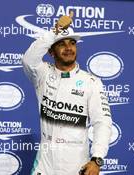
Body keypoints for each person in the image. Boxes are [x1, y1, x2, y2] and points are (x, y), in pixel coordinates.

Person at [22, 12, 113, 175]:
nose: (68, 48)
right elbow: (28, 59)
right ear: (51, 52)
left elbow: (102, 122)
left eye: (72, 43)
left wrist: (97, 159)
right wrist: (55, 30)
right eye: (61, 44)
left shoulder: (91, 82)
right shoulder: (42, 74)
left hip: (77, 166)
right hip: (45, 165)